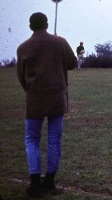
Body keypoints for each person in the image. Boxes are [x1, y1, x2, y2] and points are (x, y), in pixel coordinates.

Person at [16, 12, 77, 197]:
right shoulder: (60, 42)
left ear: (30, 26)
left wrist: (31, 88)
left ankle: (34, 182)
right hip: (57, 98)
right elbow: (72, 63)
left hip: (34, 98)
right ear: (47, 24)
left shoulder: (23, 48)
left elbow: (21, 76)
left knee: (32, 139)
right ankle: (49, 181)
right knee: (53, 139)